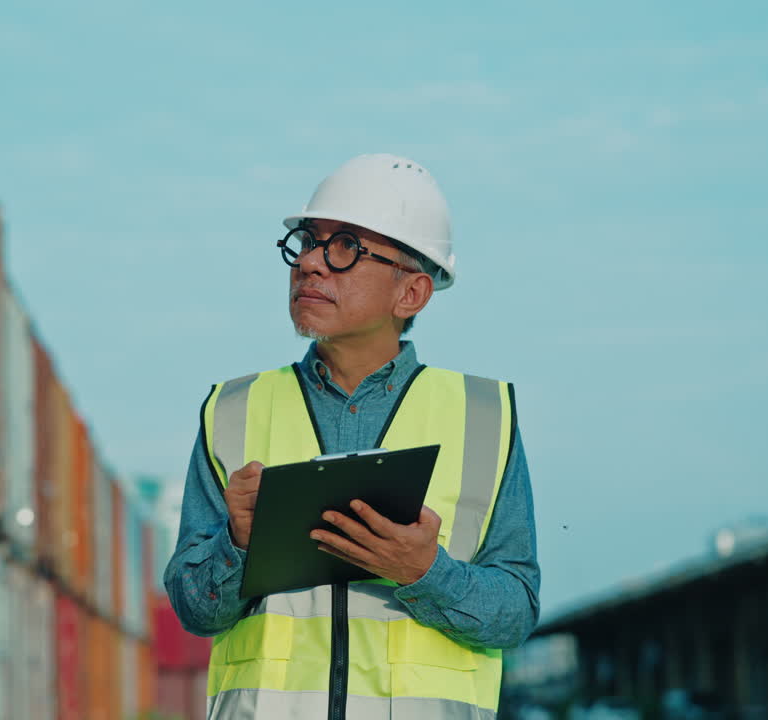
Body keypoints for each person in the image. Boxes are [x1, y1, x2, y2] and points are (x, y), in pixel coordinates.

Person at [163, 154, 540, 720]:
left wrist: (425, 573)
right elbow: (194, 610)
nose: (311, 262)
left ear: (410, 293)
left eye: (345, 247)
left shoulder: (485, 417)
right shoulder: (232, 410)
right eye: (308, 241)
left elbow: (516, 610)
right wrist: (237, 545)